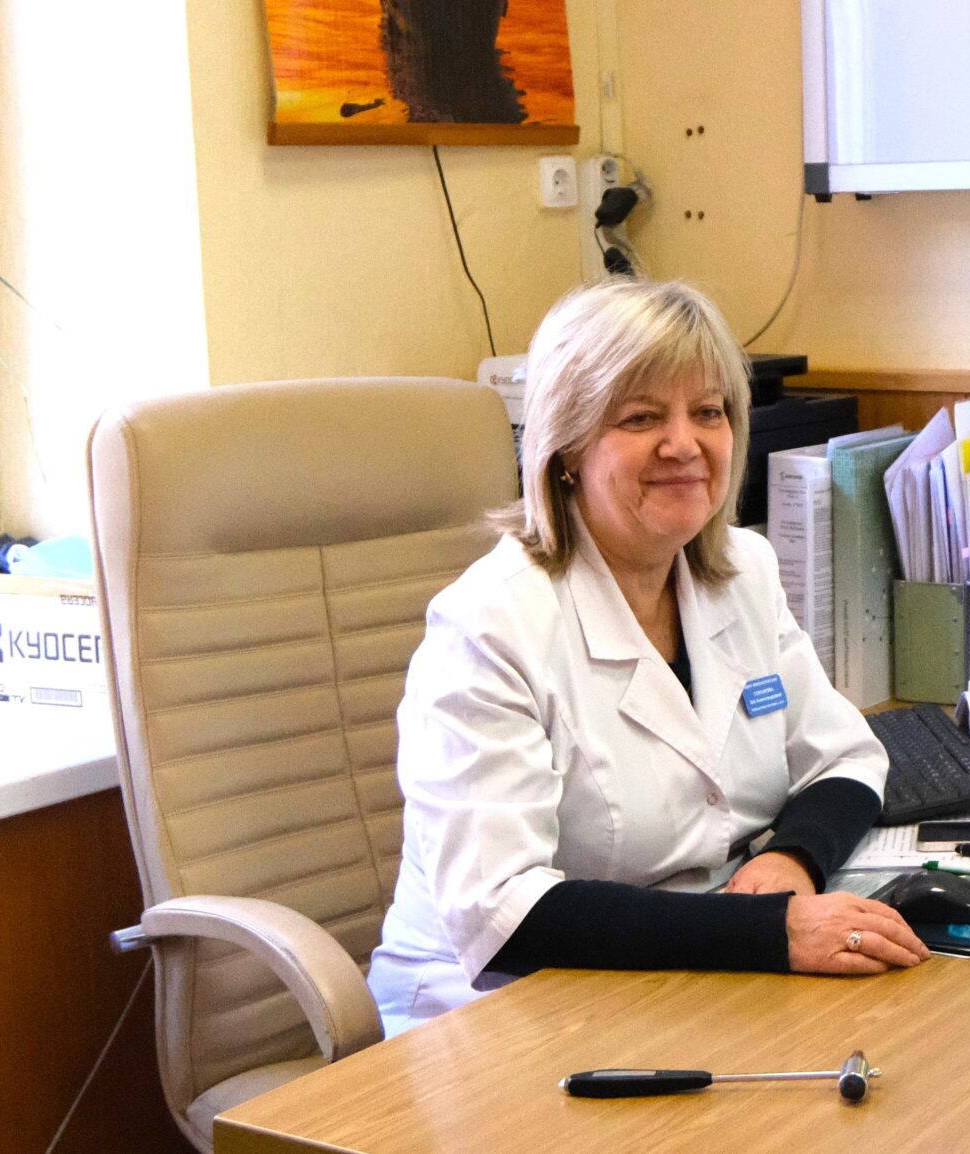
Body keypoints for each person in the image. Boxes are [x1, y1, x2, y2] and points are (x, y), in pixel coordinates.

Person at [367, 278, 929, 1036]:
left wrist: (793, 861)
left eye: (709, 412)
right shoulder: (491, 625)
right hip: (495, 1017)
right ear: (566, 448)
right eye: (640, 418)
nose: (684, 444)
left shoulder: (743, 572)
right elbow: (505, 913)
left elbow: (846, 759)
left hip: (686, 986)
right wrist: (768, 932)